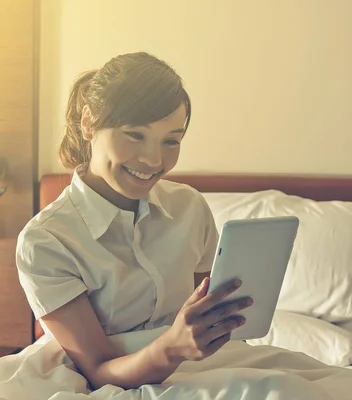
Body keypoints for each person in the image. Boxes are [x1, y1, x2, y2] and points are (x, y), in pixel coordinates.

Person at [13, 51, 253, 390]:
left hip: (201, 369)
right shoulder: (46, 241)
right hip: (100, 384)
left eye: (171, 141)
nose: (154, 160)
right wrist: (172, 348)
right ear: (88, 122)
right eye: (135, 135)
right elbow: (98, 369)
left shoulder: (189, 206)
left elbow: (207, 311)